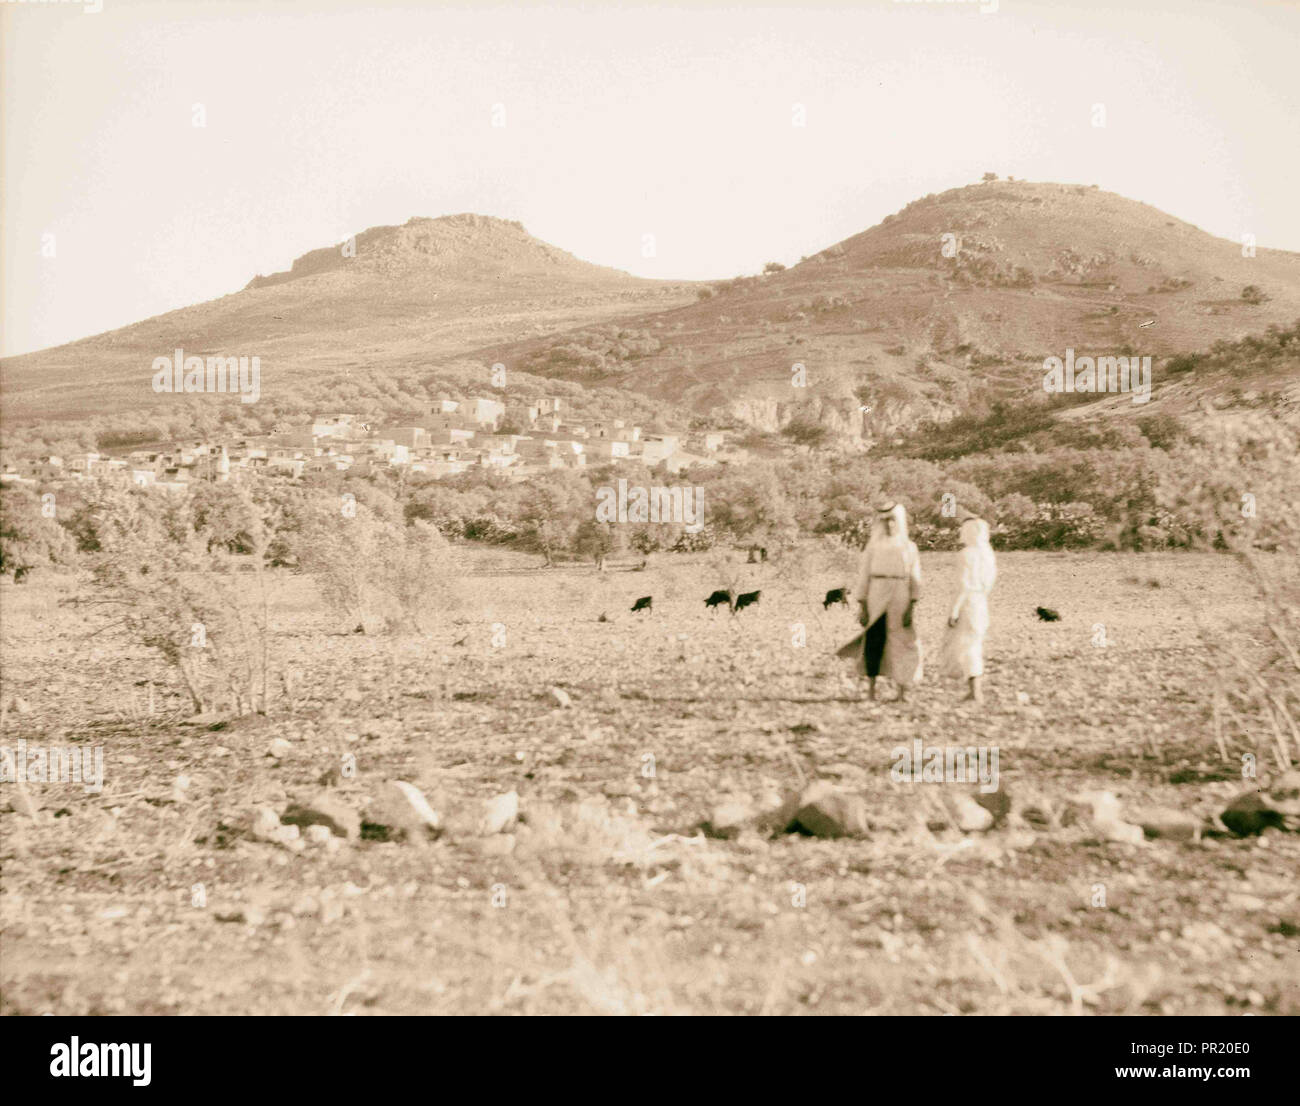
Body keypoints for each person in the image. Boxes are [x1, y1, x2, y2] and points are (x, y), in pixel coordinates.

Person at [839, 502, 923, 701]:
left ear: (899, 521)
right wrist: (863, 605)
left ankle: (901, 692)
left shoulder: (909, 547)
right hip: (876, 594)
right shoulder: (873, 547)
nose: (888, 525)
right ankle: (871, 691)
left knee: (902, 642)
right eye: (884, 520)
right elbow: (863, 577)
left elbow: (915, 577)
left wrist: (912, 605)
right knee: (874, 641)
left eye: (892, 520)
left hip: (900, 595)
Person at [941, 515, 997, 703]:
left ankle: (975, 691)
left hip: (967, 602)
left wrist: (954, 610)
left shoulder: (967, 554)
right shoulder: (988, 554)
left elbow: (963, 585)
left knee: (967, 646)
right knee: (975, 643)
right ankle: (975, 689)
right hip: (981, 602)